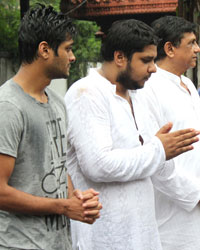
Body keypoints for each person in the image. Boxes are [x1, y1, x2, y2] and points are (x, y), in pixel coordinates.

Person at [64, 19, 200, 250]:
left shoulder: (136, 94)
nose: (153, 68)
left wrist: (160, 152)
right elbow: (98, 164)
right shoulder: (86, 93)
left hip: (143, 234)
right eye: (146, 60)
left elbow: (156, 157)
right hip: (106, 237)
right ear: (120, 57)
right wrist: (158, 150)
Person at [0, 4, 102, 250]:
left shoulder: (56, 102)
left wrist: (75, 199)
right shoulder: (8, 106)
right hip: (20, 244)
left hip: (58, 242)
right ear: (44, 49)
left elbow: (57, 165)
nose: (73, 57)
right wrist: (64, 207)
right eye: (67, 49)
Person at [141, 15, 200, 249]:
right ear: (169, 48)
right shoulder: (151, 88)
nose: (197, 48)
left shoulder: (187, 86)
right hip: (172, 209)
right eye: (191, 43)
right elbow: (154, 155)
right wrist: (195, 194)